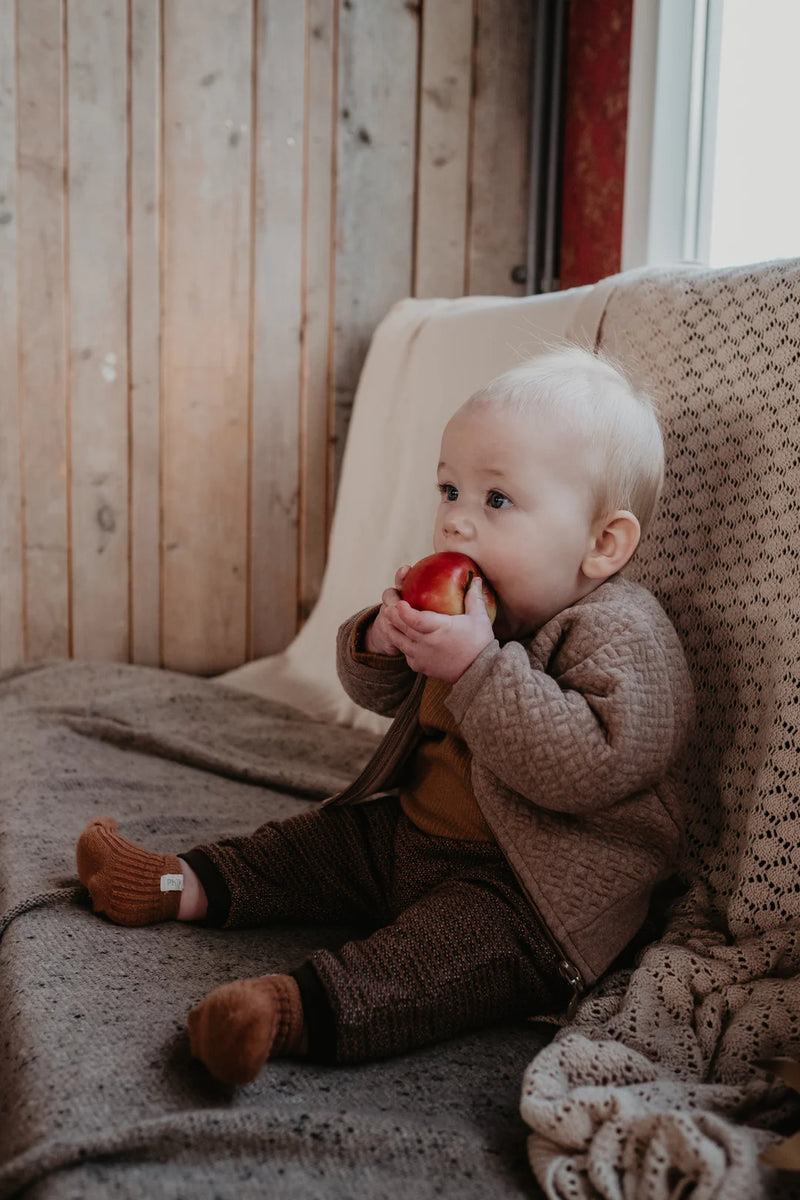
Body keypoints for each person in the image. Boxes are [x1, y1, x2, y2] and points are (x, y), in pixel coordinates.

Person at [76, 346, 695, 1085]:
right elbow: (380, 696)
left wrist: (475, 667)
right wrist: (381, 641)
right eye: (449, 490)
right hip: (409, 836)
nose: (457, 523)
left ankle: (285, 1011)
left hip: (526, 898)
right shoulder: (476, 605)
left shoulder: (622, 632)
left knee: (430, 963)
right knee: (307, 845)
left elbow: (588, 767)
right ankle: (177, 885)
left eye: (496, 501)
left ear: (603, 544)